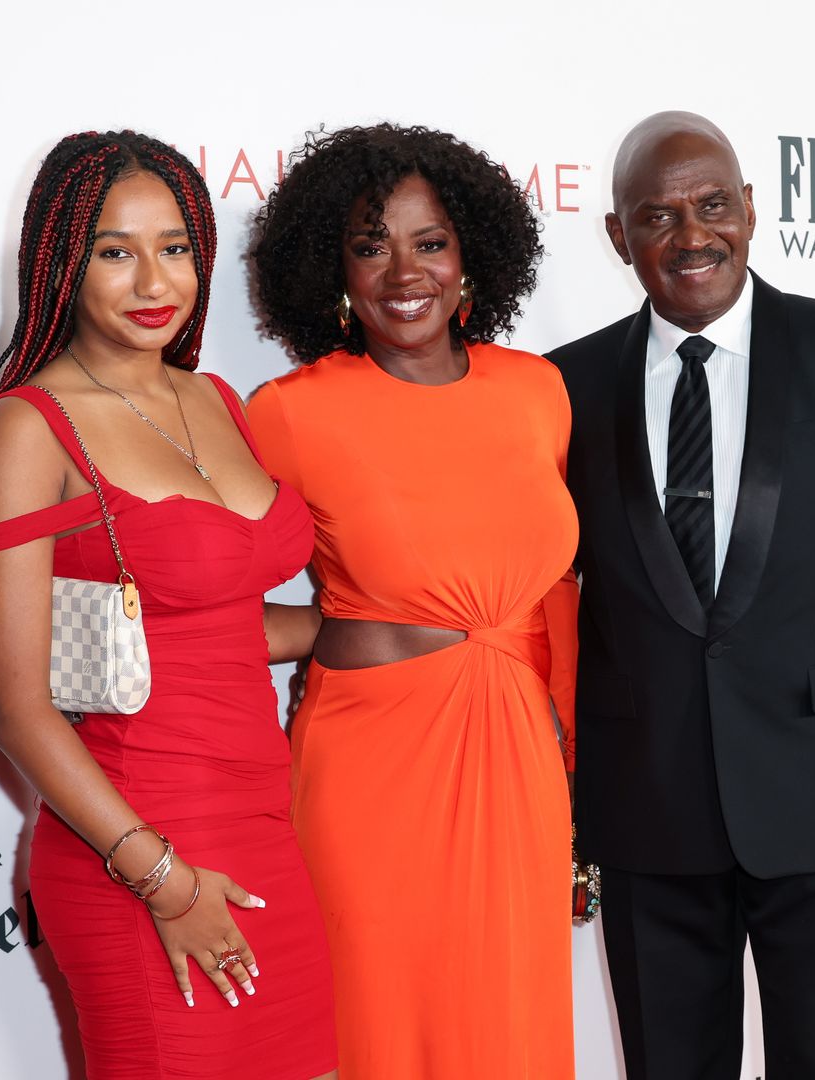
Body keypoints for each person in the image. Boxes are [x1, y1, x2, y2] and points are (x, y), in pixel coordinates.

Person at [547, 109, 815, 1079]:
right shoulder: (563, 388)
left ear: (750, 206)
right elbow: (546, 603)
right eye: (656, 216)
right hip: (648, 815)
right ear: (618, 237)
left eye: (710, 205)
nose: (690, 235)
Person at [0, 130, 337, 1080]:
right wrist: (163, 880)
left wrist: (354, 630)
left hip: (265, 833)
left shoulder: (213, 395)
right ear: (60, 261)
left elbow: (204, 628)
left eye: (173, 247)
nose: (150, 281)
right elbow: (13, 703)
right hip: (134, 850)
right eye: (114, 251)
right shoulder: (25, 428)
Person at [246, 123, 578, 1080]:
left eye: (429, 242)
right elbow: (205, 584)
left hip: (519, 758)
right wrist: (330, 628)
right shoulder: (292, 412)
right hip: (369, 770)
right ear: (332, 269)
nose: (404, 271)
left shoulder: (537, 392)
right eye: (370, 244)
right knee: (384, 1025)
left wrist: (575, 759)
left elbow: (553, 592)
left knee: (509, 1025)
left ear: (471, 254)